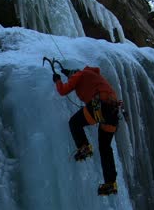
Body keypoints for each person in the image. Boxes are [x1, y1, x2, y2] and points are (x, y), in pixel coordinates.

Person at [52, 66, 123, 196]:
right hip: (113, 111)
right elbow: (78, 77)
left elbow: (63, 90)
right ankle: (110, 183)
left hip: (99, 106)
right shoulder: (93, 75)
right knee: (105, 148)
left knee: (74, 123)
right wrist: (68, 73)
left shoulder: (79, 75)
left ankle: (84, 146)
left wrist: (57, 80)